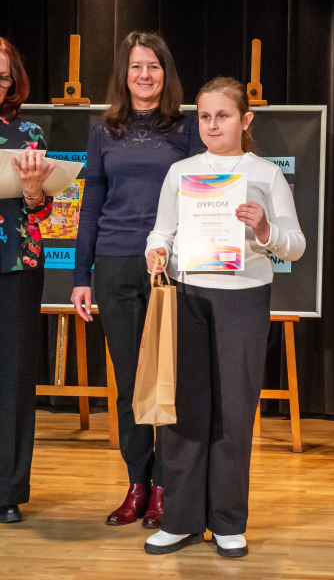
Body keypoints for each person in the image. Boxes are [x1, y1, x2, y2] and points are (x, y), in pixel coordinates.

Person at [143, 77, 306, 556]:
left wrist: (265, 228)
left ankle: (228, 521)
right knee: (184, 411)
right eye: (205, 116)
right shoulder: (182, 172)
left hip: (244, 299)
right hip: (189, 295)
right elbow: (162, 232)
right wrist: (156, 251)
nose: (213, 125)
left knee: (234, 411)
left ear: (245, 119)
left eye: (223, 115)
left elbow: (296, 245)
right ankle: (181, 520)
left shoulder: (266, 175)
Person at [71, 32, 203, 528]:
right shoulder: (103, 131)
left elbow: (199, 201)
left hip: (168, 268)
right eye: (135, 67)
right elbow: (90, 207)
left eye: (153, 66)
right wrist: (81, 276)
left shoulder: (186, 130)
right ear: (123, 76)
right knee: (129, 385)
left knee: (166, 382)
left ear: (166, 74)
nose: (144, 75)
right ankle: (137, 484)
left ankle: (166, 486)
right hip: (114, 265)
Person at [0, 37, 56, 523]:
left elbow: (42, 212)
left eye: (2, 77)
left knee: (14, 376)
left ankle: (8, 489)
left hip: (17, 264)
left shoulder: (28, 132)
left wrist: (36, 192)